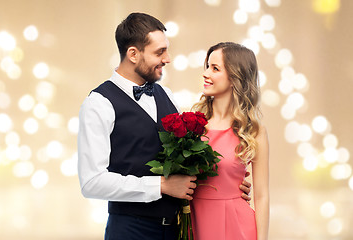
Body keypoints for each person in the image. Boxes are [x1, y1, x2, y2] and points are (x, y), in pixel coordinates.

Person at [77, 13, 251, 240]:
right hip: (129, 231)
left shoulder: (165, 94)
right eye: (159, 52)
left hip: (175, 229)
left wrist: (226, 183)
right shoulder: (99, 103)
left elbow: (183, 163)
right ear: (133, 54)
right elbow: (92, 182)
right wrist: (160, 186)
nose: (167, 59)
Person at [191, 42, 270, 240]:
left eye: (215, 68)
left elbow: (262, 196)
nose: (206, 73)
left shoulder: (253, 130)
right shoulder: (191, 124)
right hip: (193, 222)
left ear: (235, 78)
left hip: (237, 227)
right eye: (207, 66)